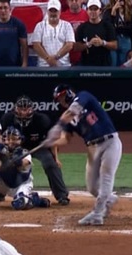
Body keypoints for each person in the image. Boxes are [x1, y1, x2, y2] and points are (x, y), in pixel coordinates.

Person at [49, 84, 122, 226]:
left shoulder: (83, 96)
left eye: (61, 97)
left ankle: (97, 213)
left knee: (106, 177)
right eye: (58, 100)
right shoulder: (67, 118)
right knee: (92, 187)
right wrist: (51, 142)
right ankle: (109, 200)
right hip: (92, 148)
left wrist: (57, 125)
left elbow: (73, 110)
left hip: (110, 142)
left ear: (68, 93)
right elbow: (65, 139)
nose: (61, 101)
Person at [0, 95, 70, 206]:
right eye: (21, 109)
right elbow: (2, 139)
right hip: (16, 148)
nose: (23, 112)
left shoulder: (42, 120)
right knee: (4, 164)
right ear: (16, 109)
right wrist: (3, 153)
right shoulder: (7, 119)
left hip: (38, 147)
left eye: (26, 109)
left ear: (31, 109)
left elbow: (52, 140)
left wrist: (56, 158)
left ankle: (62, 195)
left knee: (50, 164)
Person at [30, 0, 75, 67]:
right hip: (43, 66)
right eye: (51, 11)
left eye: (55, 11)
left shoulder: (67, 25)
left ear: (60, 11)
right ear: (47, 11)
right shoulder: (40, 26)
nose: (53, 13)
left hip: (63, 65)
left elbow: (69, 45)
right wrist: (48, 59)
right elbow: (36, 45)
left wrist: (56, 57)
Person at [74, 0, 117, 66]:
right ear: (87, 10)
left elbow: (115, 45)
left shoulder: (107, 26)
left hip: (104, 64)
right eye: (91, 9)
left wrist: (102, 43)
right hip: (86, 65)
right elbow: (76, 47)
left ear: (100, 11)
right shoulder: (82, 27)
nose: (93, 12)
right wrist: (88, 44)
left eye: (95, 9)